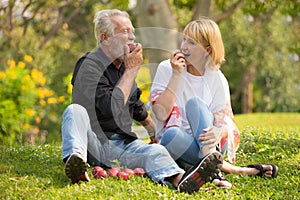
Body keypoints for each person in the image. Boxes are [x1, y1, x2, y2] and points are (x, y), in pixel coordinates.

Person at [61, 9, 223, 194]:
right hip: (92, 143)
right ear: (105, 38)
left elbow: (137, 107)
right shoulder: (88, 65)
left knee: (155, 151)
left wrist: (155, 132)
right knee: (74, 111)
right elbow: (109, 108)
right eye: (124, 32)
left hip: (121, 145)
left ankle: (180, 180)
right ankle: (76, 162)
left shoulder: (123, 67)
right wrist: (131, 70)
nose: (131, 37)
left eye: (132, 31)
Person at [150, 18, 278, 189]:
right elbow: (160, 114)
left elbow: (227, 124)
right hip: (178, 144)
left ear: (207, 50)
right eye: (184, 39)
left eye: (192, 42)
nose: (184, 47)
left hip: (211, 144)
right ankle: (232, 170)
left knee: (195, 105)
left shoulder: (217, 78)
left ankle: (209, 166)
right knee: (170, 135)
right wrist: (175, 75)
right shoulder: (167, 68)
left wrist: (218, 132)